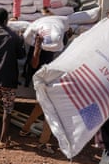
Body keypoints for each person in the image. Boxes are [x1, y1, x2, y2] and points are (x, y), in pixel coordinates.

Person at [20, 20, 73, 154]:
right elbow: (33, 64)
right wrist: (37, 47)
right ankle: (43, 142)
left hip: (47, 78)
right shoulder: (38, 44)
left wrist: (68, 34)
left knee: (41, 106)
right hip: (40, 79)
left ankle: (25, 130)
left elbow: (62, 40)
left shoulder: (54, 42)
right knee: (51, 109)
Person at [0, 8, 25, 149]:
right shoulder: (14, 36)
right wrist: (22, 39)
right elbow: (21, 55)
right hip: (9, 78)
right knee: (8, 108)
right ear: (6, 19)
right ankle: (2, 140)